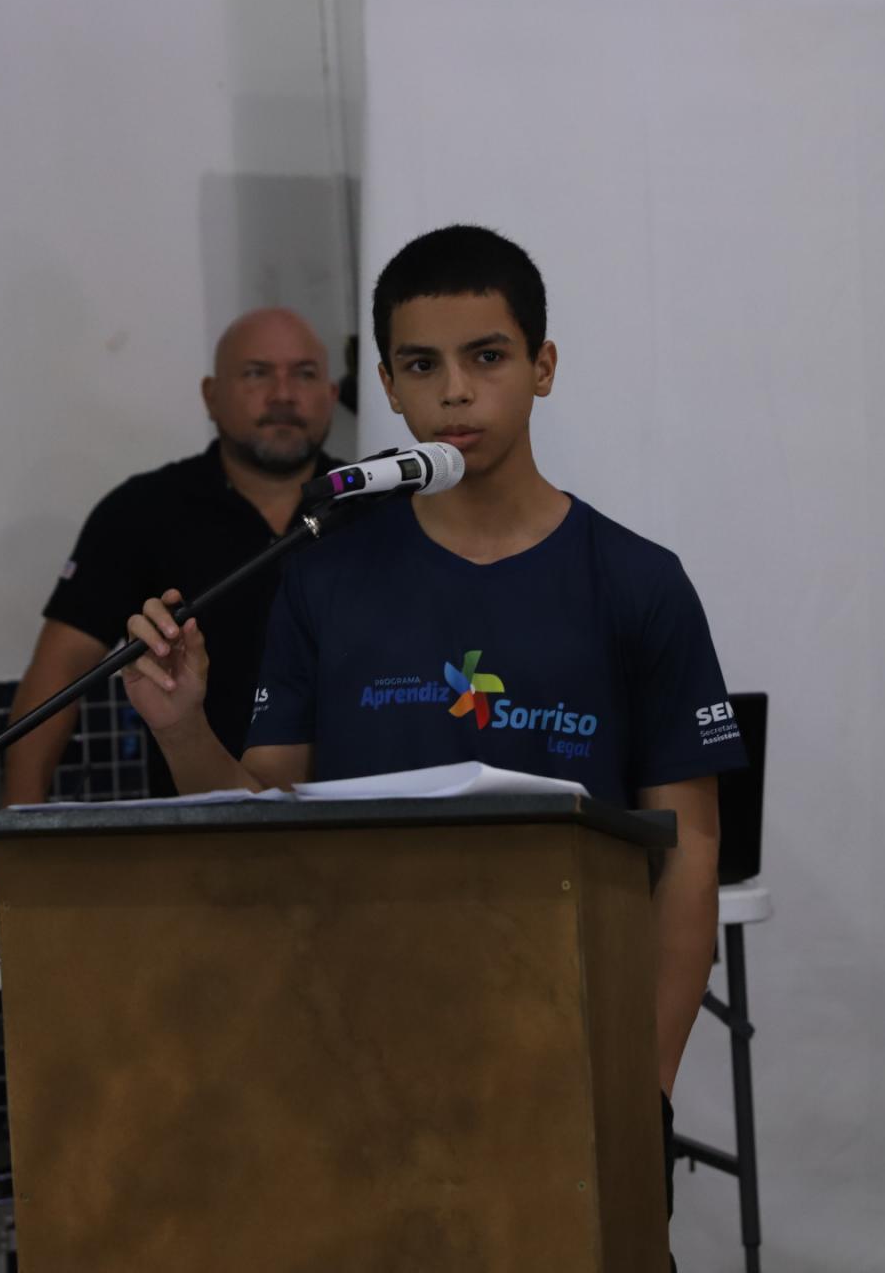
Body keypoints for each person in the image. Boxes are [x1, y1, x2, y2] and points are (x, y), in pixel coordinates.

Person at [121, 225, 745, 1251]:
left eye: (487, 356)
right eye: (421, 365)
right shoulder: (323, 577)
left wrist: (647, 1080)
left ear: (543, 366)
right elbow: (260, 823)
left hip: (572, 1056)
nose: (456, 392)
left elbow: (691, 852)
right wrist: (184, 726)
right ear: (388, 387)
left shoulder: (638, 582)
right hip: (351, 1056)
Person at [0, 307, 342, 889]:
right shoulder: (142, 511)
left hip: (357, 840)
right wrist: (11, 830)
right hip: (194, 850)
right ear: (211, 395)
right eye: (256, 373)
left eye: (305, 374)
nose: (283, 394)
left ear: (332, 394)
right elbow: (61, 670)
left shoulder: (375, 509)